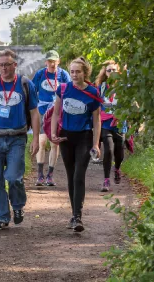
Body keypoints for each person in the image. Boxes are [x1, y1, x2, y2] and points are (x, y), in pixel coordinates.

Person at [0, 49, 40, 231]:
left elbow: (35, 113)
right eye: (1, 65)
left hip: (17, 139)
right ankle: (1, 217)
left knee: (13, 177)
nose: (3, 68)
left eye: (7, 65)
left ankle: (18, 206)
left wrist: (35, 138)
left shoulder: (26, 85)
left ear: (14, 65)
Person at [51, 57, 101, 232]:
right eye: (71, 71)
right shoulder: (63, 89)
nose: (74, 74)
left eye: (77, 71)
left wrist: (96, 143)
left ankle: (77, 217)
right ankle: (74, 215)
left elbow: (97, 120)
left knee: (79, 175)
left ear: (85, 73)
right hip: (66, 137)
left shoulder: (93, 92)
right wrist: (53, 134)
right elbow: (56, 113)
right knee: (71, 175)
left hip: (84, 137)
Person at [31, 50, 71, 186]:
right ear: (46, 62)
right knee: (41, 142)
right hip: (42, 111)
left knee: (54, 142)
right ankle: (40, 175)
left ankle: (50, 175)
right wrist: (32, 109)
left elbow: (70, 91)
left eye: (54, 61)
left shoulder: (64, 75)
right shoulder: (40, 74)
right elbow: (32, 91)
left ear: (58, 61)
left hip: (58, 112)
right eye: (49, 61)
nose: (52, 64)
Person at [95, 61, 126, 192]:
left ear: (118, 72)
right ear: (105, 73)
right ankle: (106, 180)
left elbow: (129, 104)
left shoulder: (123, 87)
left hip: (119, 123)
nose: (111, 72)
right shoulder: (101, 88)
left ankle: (117, 168)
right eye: (109, 70)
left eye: (114, 70)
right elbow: (96, 105)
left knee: (119, 150)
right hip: (105, 123)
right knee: (108, 149)